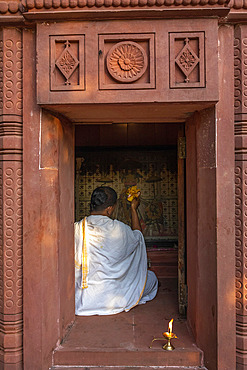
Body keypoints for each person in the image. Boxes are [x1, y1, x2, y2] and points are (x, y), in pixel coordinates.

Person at [75, 186, 158, 316]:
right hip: (113, 297)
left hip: (84, 298)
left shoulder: (77, 228)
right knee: (152, 279)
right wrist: (133, 209)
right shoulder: (119, 229)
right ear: (109, 209)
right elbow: (138, 237)